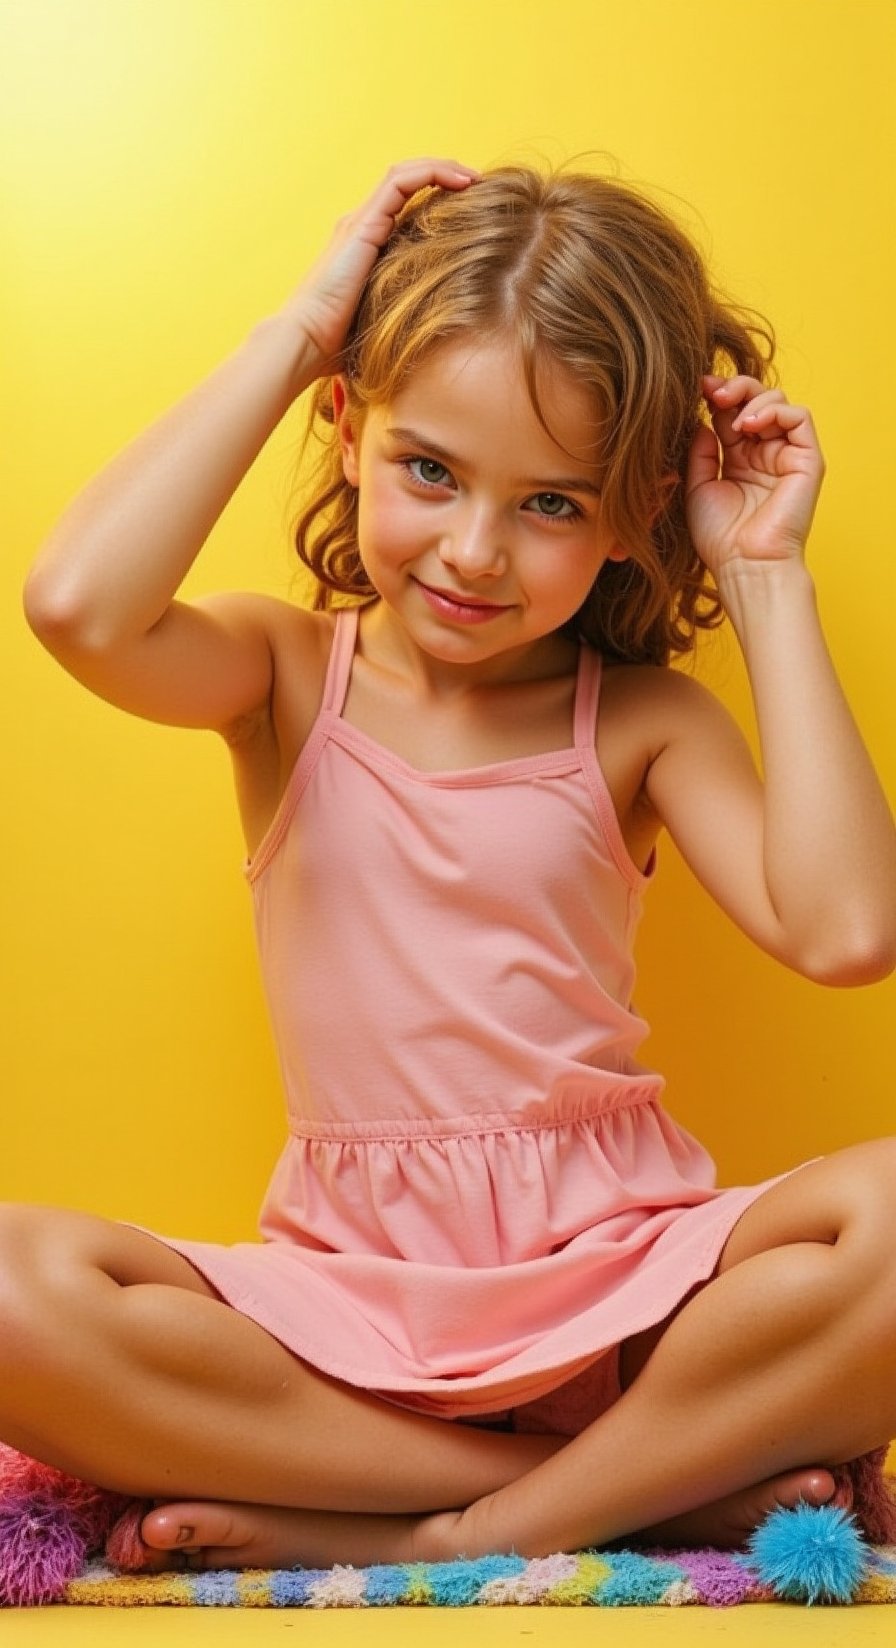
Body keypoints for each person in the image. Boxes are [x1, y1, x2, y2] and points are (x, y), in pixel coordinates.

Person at [13, 156, 896, 1573]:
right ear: (348, 429)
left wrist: (766, 571)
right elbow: (76, 605)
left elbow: (849, 930)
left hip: (631, 1290)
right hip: (344, 1319)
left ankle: (464, 1524)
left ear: (634, 514)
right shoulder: (284, 671)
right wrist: (303, 329)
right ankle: (625, 1494)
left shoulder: (641, 719)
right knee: (7, 1286)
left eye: (552, 504)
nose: (475, 552)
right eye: (430, 470)